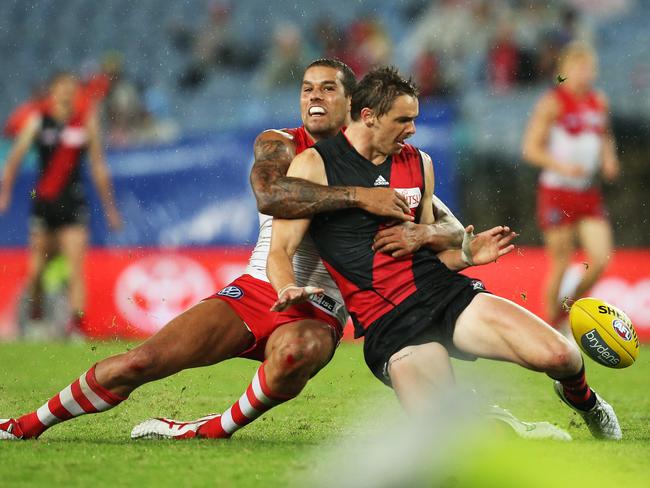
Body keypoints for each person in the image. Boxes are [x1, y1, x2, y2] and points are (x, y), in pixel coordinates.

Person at [0, 59, 436, 442]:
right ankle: (24, 425)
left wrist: (455, 242)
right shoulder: (280, 142)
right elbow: (269, 193)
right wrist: (359, 197)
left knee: (293, 355)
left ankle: (207, 428)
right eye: (306, 88)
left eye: (327, 88)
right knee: (141, 361)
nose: (314, 97)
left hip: (321, 305)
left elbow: (435, 223)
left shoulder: (387, 157)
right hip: (258, 288)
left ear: (353, 102)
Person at [267, 66, 621, 439]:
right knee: (445, 435)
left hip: (444, 294)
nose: (412, 129)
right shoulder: (314, 165)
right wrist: (287, 287)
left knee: (561, 356)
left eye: (414, 119)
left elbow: (434, 244)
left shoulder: (419, 163)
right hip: (390, 326)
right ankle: (507, 426)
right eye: (403, 120)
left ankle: (588, 403)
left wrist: (463, 254)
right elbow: (281, 250)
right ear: (368, 116)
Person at [0, 71, 123, 336]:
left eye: (71, 88)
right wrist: (5, 194)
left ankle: (77, 327)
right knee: (35, 272)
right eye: (62, 87)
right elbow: (14, 160)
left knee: (76, 269)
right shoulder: (38, 121)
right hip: (43, 204)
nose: (67, 93)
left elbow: (99, 166)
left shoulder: (84, 123)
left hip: (74, 204)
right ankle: (34, 314)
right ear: (52, 91)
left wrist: (111, 209)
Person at [522, 41, 619, 328]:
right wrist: (562, 166)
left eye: (588, 68)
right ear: (564, 71)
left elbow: (605, 135)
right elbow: (530, 149)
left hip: (587, 192)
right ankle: (551, 327)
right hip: (557, 192)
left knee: (601, 259)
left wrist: (609, 159)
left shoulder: (598, 101)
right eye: (577, 68)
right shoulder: (552, 102)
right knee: (561, 263)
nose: (584, 74)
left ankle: (567, 307)